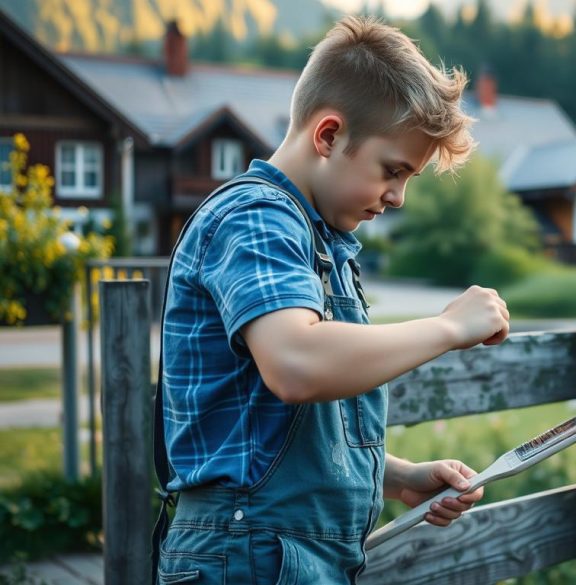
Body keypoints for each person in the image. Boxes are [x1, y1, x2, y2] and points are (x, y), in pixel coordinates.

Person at [153, 15, 510, 584]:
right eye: (392, 171)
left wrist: (397, 478)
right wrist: (447, 327)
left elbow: (282, 426)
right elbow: (297, 364)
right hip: (246, 554)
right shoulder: (255, 218)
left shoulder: (322, 242)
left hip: (289, 552)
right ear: (328, 136)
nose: (397, 197)